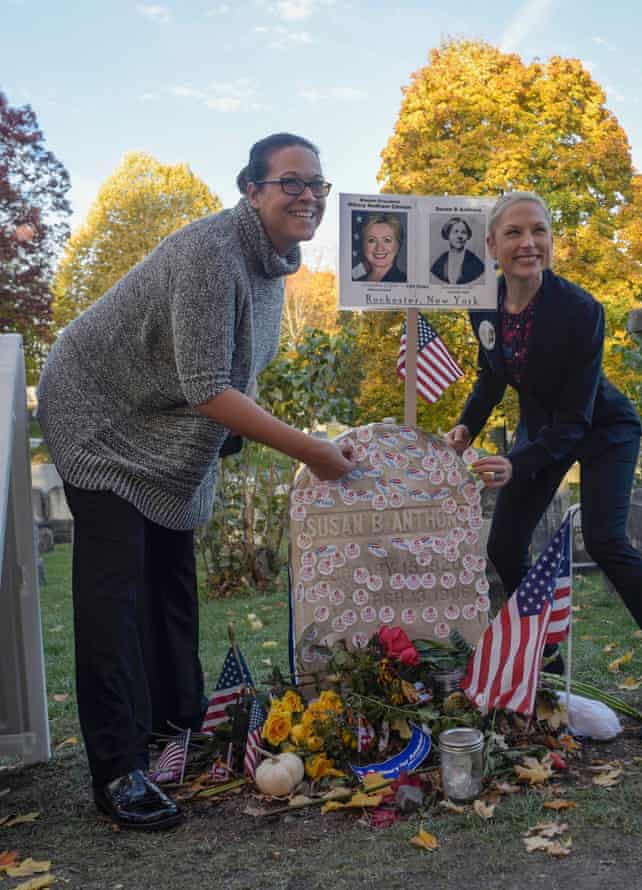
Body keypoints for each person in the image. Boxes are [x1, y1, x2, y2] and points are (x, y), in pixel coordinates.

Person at [37, 133, 355, 830]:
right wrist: (314, 451)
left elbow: (225, 378)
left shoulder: (273, 266)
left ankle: (176, 730)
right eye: (291, 184)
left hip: (166, 431)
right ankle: (118, 771)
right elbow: (210, 387)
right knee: (115, 595)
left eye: (318, 186)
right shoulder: (213, 253)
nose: (308, 197)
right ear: (252, 190)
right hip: (98, 416)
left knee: (173, 585)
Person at [445, 191, 642, 741]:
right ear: (492, 245)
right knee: (503, 546)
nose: (529, 243)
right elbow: (492, 375)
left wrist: (516, 464)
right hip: (544, 431)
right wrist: (467, 426)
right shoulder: (483, 302)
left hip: (602, 429)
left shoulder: (581, 311)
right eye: (515, 233)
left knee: (605, 539)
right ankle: (544, 659)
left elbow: (574, 423)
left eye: (539, 231)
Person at [430, 215, 485, 285]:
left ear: (467, 236)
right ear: (448, 235)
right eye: (455, 232)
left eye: (463, 232)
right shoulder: (441, 260)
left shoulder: (476, 263)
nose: (459, 236)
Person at [354, 213, 407, 282]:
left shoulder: (403, 280)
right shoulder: (355, 277)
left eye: (387, 240)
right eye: (372, 240)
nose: (379, 248)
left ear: (398, 245)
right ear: (363, 244)